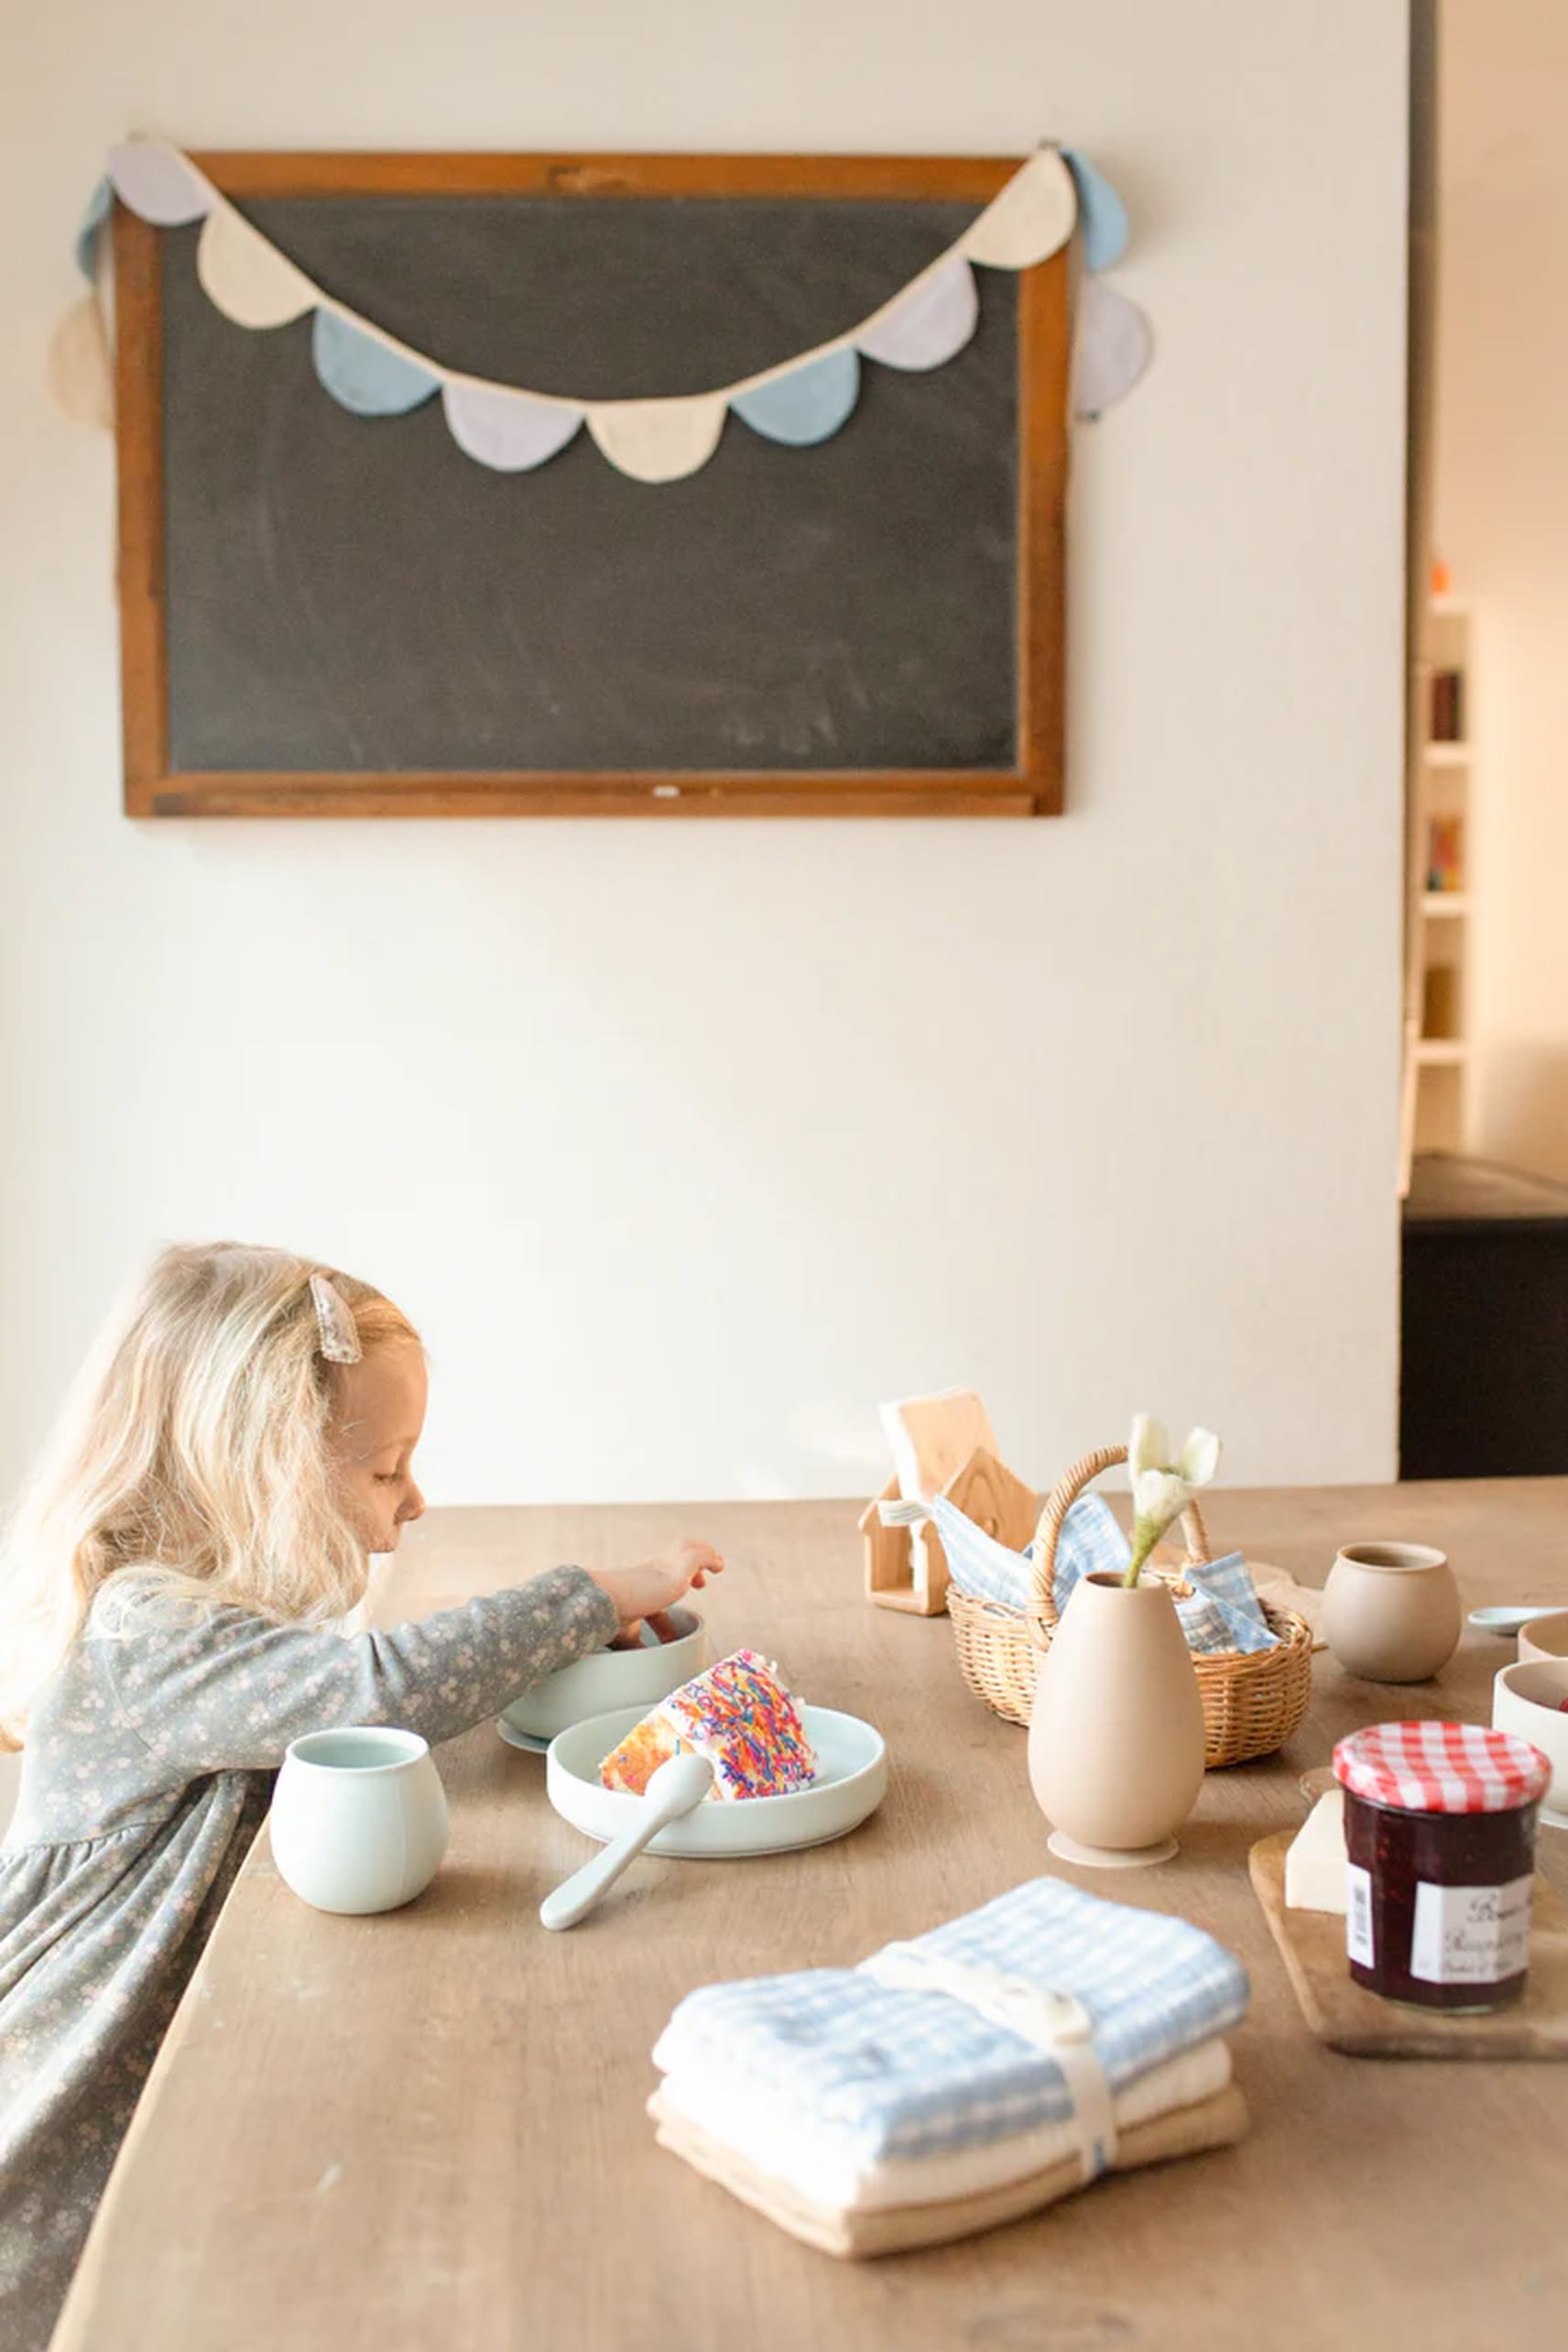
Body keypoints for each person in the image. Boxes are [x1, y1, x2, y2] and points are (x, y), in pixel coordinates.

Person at [0, 1242, 721, 2352]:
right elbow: (375, 1691)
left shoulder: (194, 1608)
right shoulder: (146, 1629)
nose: (415, 1498)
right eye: (386, 1468)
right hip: (61, 2096)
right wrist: (597, 1593)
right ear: (261, 1470)